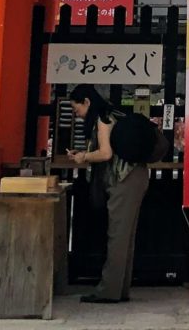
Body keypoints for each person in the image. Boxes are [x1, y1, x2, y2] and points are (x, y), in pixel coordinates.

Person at [68, 84, 148, 304]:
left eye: (77, 110)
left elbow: (105, 153)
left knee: (117, 237)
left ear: (87, 102)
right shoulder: (113, 114)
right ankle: (119, 289)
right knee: (125, 237)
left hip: (123, 180)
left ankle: (108, 291)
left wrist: (83, 157)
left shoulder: (103, 119)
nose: (77, 115)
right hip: (134, 177)